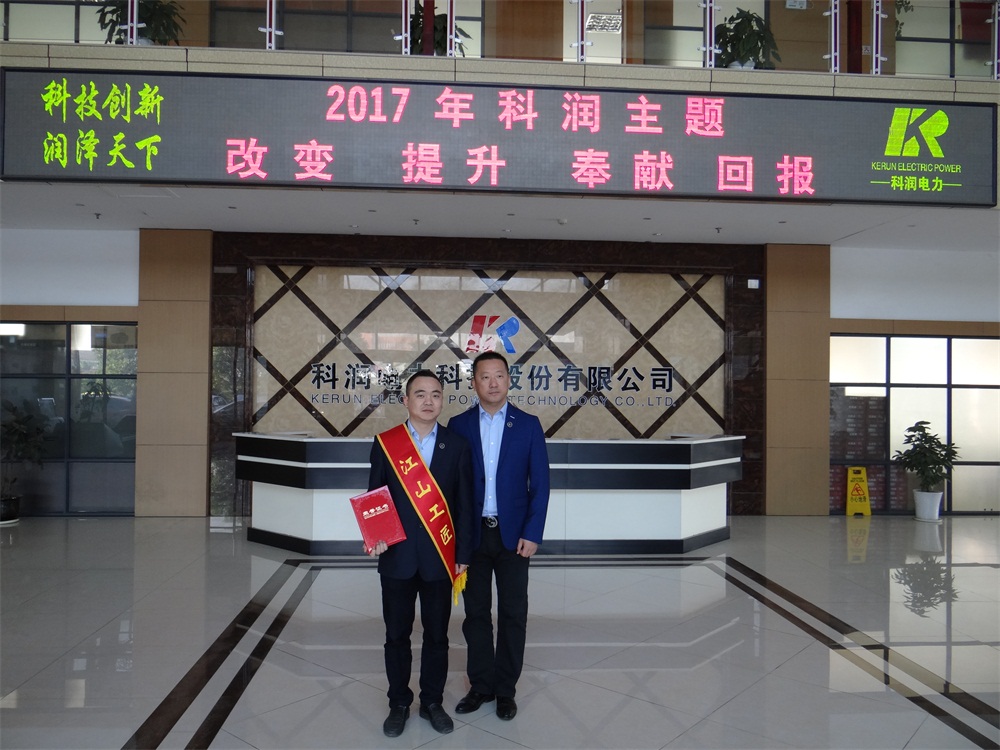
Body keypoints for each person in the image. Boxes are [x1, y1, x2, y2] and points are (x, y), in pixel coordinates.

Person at [367, 370, 474, 738]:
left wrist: (463, 552)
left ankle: (431, 701)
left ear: (443, 400)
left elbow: (464, 505)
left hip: (440, 558)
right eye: (420, 394)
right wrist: (376, 536)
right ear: (405, 400)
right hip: (396, 557)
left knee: (437, 635)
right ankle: (398, 702)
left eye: (435, 394)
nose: (429, 401)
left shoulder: (456, 445)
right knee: (396, 634)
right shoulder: (386, 443)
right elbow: (376, 496)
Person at [447, 351, 550, 721]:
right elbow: (451, 486)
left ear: (509, 380)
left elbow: (541, 484)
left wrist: (532, 532)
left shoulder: (528, 425)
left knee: (513, 613)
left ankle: (506, 690)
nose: (492, 383)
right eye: (484, 376)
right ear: (474, 382)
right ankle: (481, 685)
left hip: (514, 537)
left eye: (499, 376)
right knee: (475, 613)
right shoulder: (458, 425)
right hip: (472, 536)